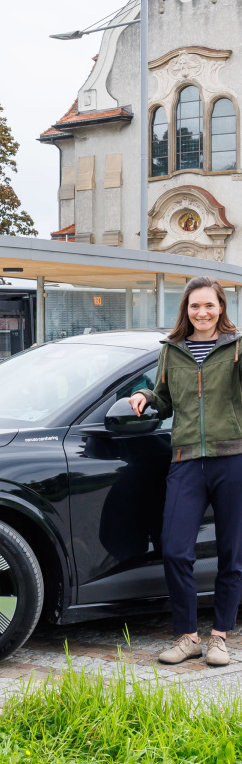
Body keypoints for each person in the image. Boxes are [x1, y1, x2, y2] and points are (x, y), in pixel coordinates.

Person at [130, 276, 242, 667]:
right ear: (186, 310)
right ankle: (188, 636)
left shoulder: (236, 347)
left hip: (233, 457)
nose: (203, 312)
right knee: (176, 550)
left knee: (232, 553)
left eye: (209, 305)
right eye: (195, 306)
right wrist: (145, 395)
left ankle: (220, 637)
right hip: (186, 460)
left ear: (221, 307)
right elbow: (164, 399)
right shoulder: (171, 350)